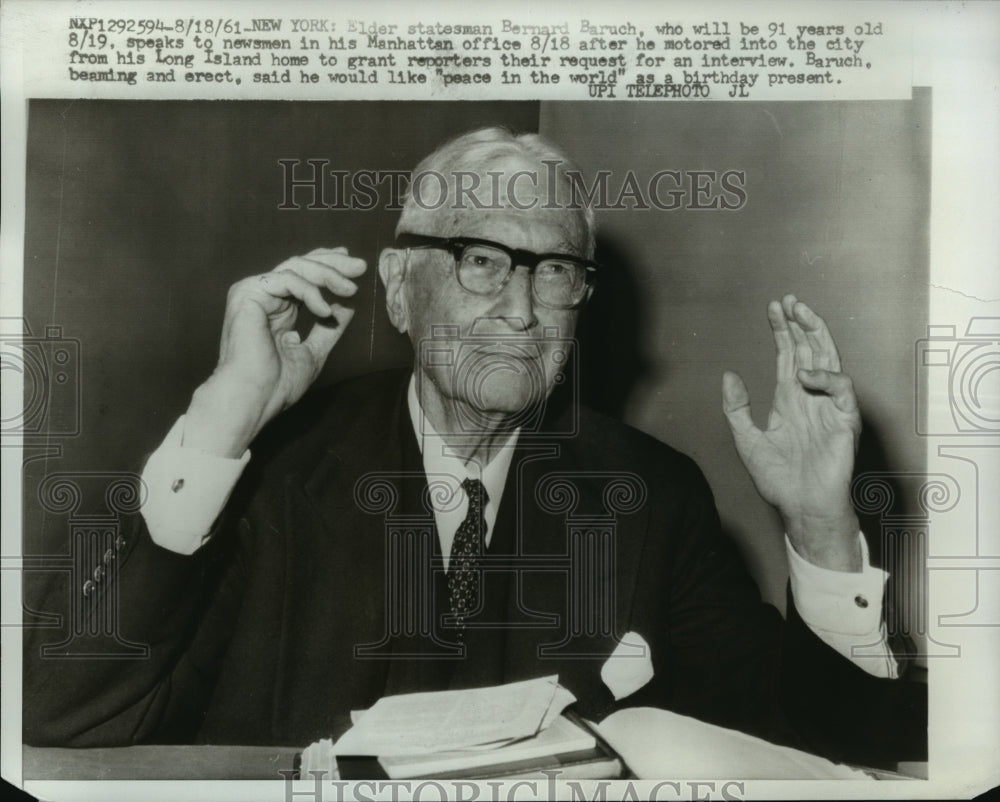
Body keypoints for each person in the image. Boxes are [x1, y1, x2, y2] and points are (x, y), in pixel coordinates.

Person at [24, 127, 924, 766]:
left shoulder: (647, 492)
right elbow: (62, 714)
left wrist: (821, 535)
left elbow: (838, 743)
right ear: (401, 289)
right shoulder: (262, 476)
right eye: (481, 260)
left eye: (556, 273)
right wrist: (222, 423)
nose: (523, 312)